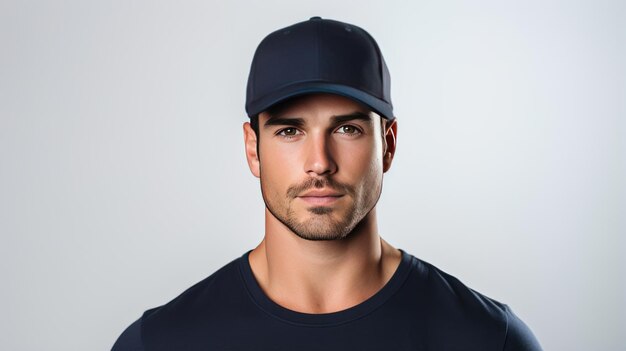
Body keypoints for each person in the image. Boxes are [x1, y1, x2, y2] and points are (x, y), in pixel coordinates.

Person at [112, 17, 542, 351]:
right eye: (289, 131)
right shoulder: (164, 342)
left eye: (347, 129)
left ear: (387, 145)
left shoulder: (486, 340)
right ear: (252, 147)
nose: (319, 162)